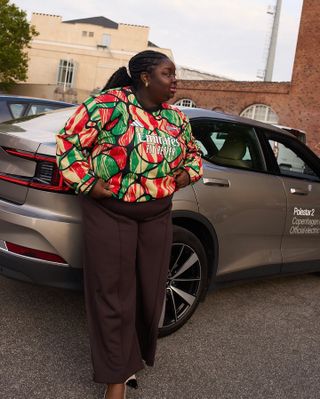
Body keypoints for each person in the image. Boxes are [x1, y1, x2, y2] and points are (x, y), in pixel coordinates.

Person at [56, 50, 203, 399]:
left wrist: (186, 174)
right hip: (111, 209)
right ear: (145, 77)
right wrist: (89, 183)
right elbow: (68, 142)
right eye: (168, 74)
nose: (175, 81)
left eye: (175, 74)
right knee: (113, 293)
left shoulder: (176, 118)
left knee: (149, 292)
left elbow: (195, 154)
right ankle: (116, 380)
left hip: (156, 211)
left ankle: (130, 357)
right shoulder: (108, 105)